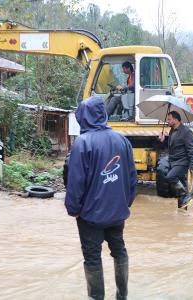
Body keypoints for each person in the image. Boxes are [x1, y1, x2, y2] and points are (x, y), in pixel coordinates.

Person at [64, 96, 137, 300]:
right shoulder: (122, 140)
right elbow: (132, 180)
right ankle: (122, 296)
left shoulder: (82, 143)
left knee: (93, 258)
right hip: (117, 214)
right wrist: (124, 204)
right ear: (103, 114)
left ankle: (97, 297)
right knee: (119, 252)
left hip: (90, 217)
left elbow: (76, 183)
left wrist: (73, 210)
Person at [159, 110, 193, 209]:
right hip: (173, 161)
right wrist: (163, 140)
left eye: (169, 119)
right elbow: (171, 147)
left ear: (176, 119)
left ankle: (186, 197)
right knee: (181, 186)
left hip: (182, 162)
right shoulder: (172, 131)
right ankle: (183, 209)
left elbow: (192, 150)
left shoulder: (186, 131)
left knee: (170, 177)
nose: (167, 121)